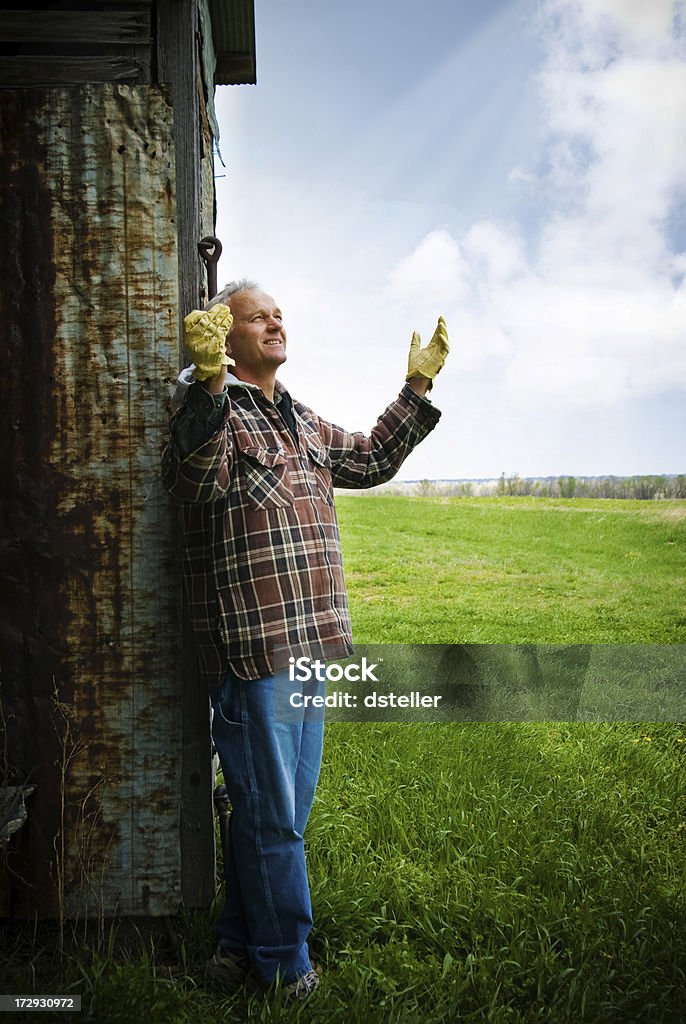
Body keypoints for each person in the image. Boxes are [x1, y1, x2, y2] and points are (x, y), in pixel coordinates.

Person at [161, 279, 449, 999]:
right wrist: (204, 386)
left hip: (310, 646)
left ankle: (235, 947)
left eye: (279, 314)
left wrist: (416, 384)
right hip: (254, 652)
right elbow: (194, 482)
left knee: (274, 813)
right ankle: (286, 967)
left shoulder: (303, 421)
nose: (274, 323)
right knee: (272, 817)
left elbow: (374, 458)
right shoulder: (213, 415)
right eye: (257, 317)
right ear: (223, 339)